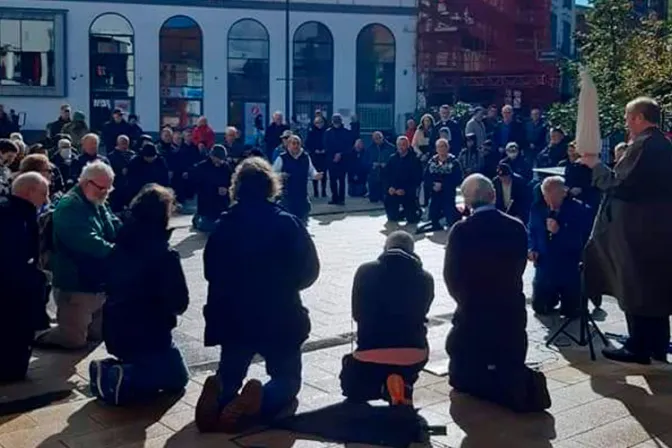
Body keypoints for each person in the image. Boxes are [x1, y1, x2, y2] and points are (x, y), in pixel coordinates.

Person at [195, 157, 320, 433]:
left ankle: (222, 395)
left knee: (230, 372)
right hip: (279, 316)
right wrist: (287, 284)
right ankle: (258, 401)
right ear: (270, 186)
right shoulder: (288, 224)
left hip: (233, 318)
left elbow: (209, 271)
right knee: (287, 380)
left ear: (236, 188)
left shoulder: (223, 226)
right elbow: (310, 271)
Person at [445, 174, 550, 413]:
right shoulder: (515, 226)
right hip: (508, 309)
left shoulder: (462, 230)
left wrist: (466, 302)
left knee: (463, 372)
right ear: (493, 195)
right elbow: (518, 268)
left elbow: (452, 276)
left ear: (468, 202)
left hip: (474, 312)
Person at [582, 97, 672, 365]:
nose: (625, 122)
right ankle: (656, 344)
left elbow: (619, 184)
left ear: (639, 118)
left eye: (627, 117)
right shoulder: (664, 145)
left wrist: (595, 166)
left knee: (635, 286)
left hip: (637, 232)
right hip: (657, 228)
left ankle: (638, 346)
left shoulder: (643, 146)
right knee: (654, 288)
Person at [89, 184, 189, 405]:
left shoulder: (118, 245)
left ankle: (118, 369)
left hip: (115, 329)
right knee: (178, 379)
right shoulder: (164, 254)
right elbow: (179, 302)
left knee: (161, 366)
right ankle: (125, 376)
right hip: (151, 335)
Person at [340, 231, 433, 406]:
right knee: (408, 359)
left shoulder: (365, 271)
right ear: (412, 251)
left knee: (352, 383)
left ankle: (379, 387)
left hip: (370, 350)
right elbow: (423, 312)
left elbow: (357, 313)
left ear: (385, 248)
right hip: (414, 352)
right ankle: (402, 382)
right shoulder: (425, 278)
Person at [36, 161, 121, 349]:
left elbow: (113, 225)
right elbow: (87, 242)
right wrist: (119, 253)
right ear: (86, 182)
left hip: (97, 281)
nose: (105, 193)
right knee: (73, 340)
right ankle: (37, 334)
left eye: (108, 188)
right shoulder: (70, 206)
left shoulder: (96, 200)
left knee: (100, 334)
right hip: (76, 281)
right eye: (102, 188)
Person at [0, 173, 50, 382]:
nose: (46, 200)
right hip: (13, 293)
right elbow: (15, 259)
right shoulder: (16, 218)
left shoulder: (12, 211)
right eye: (43, 194)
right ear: (29, 192)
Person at [528, 176, 590, 317]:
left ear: (563, 193)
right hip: (545, 264)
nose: (550, 199)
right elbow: (531, 231)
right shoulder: (537, 208)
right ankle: (549, 298)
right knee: (540, 308)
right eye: (546, 195)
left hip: (568, 264)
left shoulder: (578, 209)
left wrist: (560, 231)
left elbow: (582, 238)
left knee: (573, 312)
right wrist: (531, 249)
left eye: (554, 195)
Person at [272, 135, 323, 224]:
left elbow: (311, 171)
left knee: (303, 222)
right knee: (288, 222)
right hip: (287, 196)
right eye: (293, 144)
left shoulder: (305, 157)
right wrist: (280, 175)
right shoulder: (281, 158)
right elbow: (272, 174)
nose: (296, 146)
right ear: (288, 146)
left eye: (298, 144)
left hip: (302, 196)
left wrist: (316, 175)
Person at [417, 138, 463, 233]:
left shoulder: (454, 162)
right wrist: (433, 185)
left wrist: (443, 185)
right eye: (439, 147)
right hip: (435, 194)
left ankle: (456, 212)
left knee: (451, 220)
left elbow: (458, 178)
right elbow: (426, 177)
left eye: (444, 146)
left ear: (448, 148)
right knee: (433, 219)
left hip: (448, 193)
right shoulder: (431, 162)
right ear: (436, 149)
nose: (441, 149)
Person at [191, 145, 233, 232]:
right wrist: (214, 189)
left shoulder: (225, 167)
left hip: (222, 201)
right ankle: (198, 218)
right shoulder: (202, 167)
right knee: (206, 226)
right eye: (217, 158)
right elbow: (198, 184)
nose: (219, 161)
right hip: (207, 201)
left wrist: (226, 188)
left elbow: (230, 180)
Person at [384, 136, 422, 224]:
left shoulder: (414, 160)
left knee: (412, 219)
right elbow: (385, 176)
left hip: (407, 192)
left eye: (404, 145)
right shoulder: (392, 158)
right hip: (393, 191)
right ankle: (399, 213)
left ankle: (413, 211)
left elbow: (417, 179)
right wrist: (389, 187)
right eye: (399, 145)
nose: (401, 147)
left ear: (408, 145)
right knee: (392, 218)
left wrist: (405, 190)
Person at [561, 141, 600, 214]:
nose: (571, 154)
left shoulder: (586, 165)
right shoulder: (568, 165)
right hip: (569, 190)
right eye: (570, 151)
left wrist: (581, 189)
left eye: (573, 151)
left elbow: (589, 180)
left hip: (584, 191)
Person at [324, 114, 350, 205]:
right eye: (335, 121)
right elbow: (326, 146)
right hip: (331, 160)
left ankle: (341, 199)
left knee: (342, 180)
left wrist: (341, 154)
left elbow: (349, 147)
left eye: (337, 121)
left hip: (343, 160)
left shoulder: (346, 132)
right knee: (332, 180)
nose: (336, 123)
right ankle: (334, 197)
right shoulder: (328, 132)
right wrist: (333, 156)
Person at [107, 135, 136, 212]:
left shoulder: (132, 155)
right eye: (122, 143)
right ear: (118, 143)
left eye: (126, 143)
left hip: (130, 186)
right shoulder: (112, 156)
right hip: (117, 187)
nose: (125, 146)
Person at [366, 132, 395, 203]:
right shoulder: (370, 148)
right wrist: (372, 163)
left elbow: (394, 160)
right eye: (375, 139)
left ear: (382, 138)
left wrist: (386, 164)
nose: (377, 140)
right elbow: (365, 161)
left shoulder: (391, 148)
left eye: (379, 138)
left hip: (386, 174)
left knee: (385, 197)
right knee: (373, 198)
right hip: (374, 173)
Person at [305, 116, 328, 198]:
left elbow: (329, 142)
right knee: (315, 173)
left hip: (324, 156)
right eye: (317, 123)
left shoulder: (326, 131)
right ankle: (316, 191)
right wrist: (314, 150)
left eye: (321, 122)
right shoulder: (312, 132)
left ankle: (324, 191)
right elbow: (308, 143)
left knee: (324, 174)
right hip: (315, 155)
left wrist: (325, 149)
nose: (319, 124)